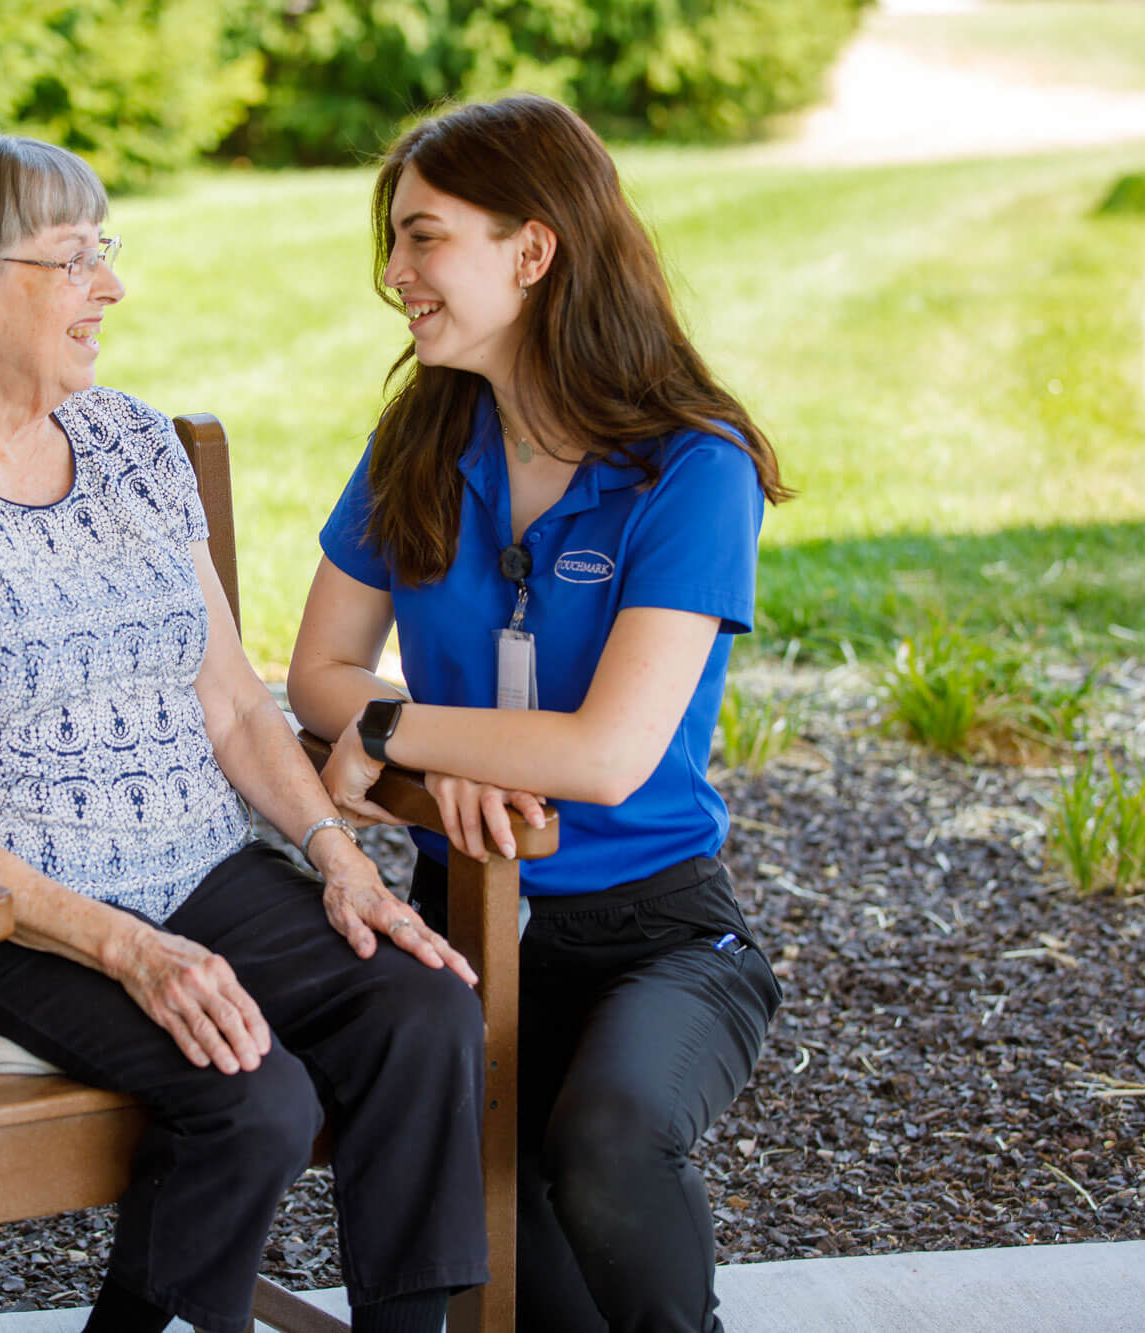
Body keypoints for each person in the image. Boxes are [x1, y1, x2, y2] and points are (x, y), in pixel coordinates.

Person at [0, 128, 487, 1333]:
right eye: (75, 258)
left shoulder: (130, 443)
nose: (110, 284)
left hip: (188, 869)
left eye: (106, 250)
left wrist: (333, 852)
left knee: (419, 1010)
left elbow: (231, 704)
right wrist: (129, 949)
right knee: (250, 1097)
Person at [286, 95, 788, 1333]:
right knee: (536, 1310)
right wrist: (439, 748)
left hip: (654, 938)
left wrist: (405, 733)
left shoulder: (690, 467)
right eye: (393, 243)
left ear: (531, 248)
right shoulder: (419, 437)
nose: (393, 276)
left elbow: (606, 758)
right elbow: (314, 671)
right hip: (465, 934)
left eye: (422, 238)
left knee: (607, 1140)